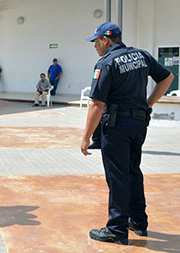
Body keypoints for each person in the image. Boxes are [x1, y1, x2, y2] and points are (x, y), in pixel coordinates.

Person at [81, 22, 174, 245]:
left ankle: (116, 228)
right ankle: (138, 222)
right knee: (133, 171)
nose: (95, 46)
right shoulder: (141, 56)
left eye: (96, 42)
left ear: (106, 40)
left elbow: (96, 104)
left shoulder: (106, 63)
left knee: (118, 176)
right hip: (138, 123)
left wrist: (86, 137)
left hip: (116, 126)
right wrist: (147, 103)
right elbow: (167, 78)